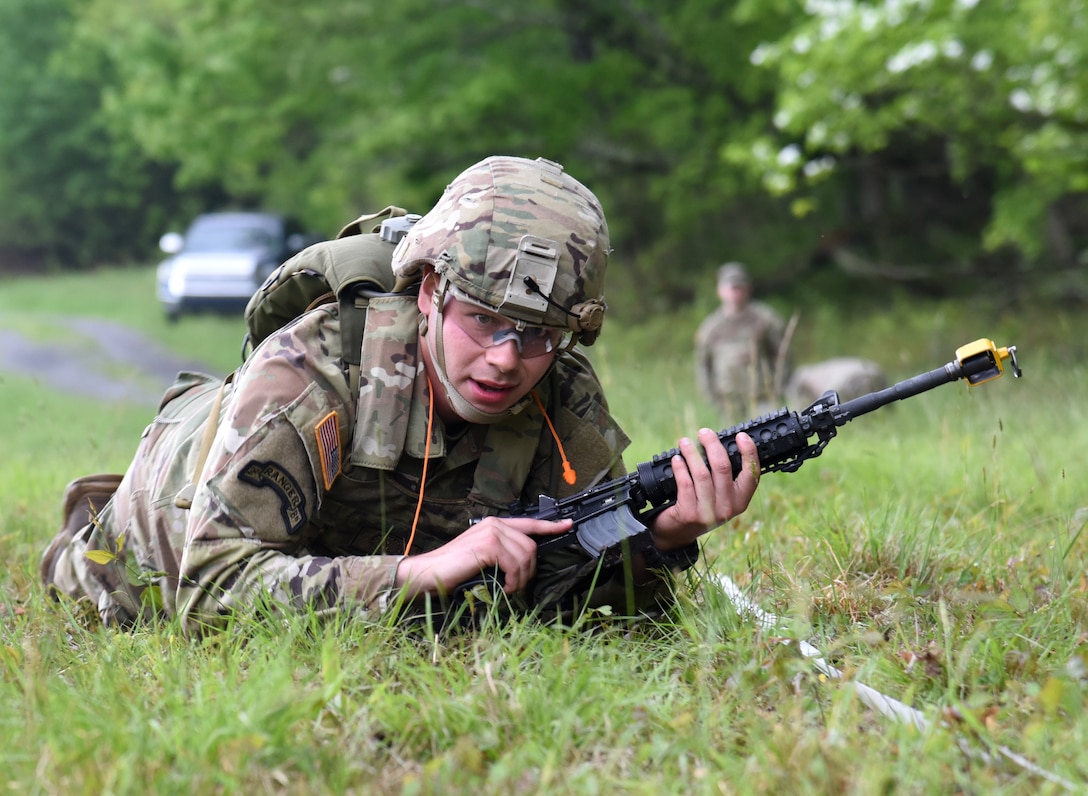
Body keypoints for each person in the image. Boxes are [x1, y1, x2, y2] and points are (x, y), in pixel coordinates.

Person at [40, 155, 760, 635]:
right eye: (483, 319)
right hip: (147, 546)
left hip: (333, 545)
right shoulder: (316, 370)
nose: (508, 359)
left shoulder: (560, 392)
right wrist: (418, 573)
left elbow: (563, 593)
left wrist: (663, 538)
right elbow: (208, 586)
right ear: (429, 293)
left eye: (539, 334)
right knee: (101, 578)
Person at [694, 262, 789, 423]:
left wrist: (779, 388)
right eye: (730, 287)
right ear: (720, 290)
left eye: (739, 287)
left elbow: (783, 356)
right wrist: (712, 399)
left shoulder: (765, 319)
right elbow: (703, 367)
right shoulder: (710, 328)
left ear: (748, 289)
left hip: (762, 397)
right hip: (728, 401)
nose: (735, 293)